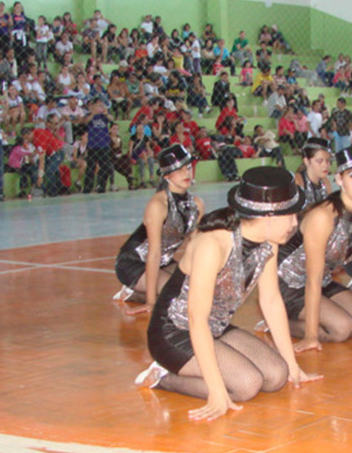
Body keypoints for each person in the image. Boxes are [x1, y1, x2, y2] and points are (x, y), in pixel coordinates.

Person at [136, 167, 320, 422]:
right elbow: (196, 319)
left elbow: (271, 300)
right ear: (267, 216)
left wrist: (293, 366)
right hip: (174, 332)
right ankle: (163, 376)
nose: (295, 224)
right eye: (290, 216)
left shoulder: (269, 240)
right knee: (245, 385)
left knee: (278, 375)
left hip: (216, 327)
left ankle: (214, 373)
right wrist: (215, 389)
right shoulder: (213, 245)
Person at [276, 143, 352, 350]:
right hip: (290, 283)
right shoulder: (323, 216)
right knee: (342, 328)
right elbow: (311, 279)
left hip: (321, 280)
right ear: (339, 179)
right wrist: (311, 336)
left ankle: (320, 318)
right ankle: (278, 323)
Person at [114, 144, 204, 311]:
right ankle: (133, 293)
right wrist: (150, 302)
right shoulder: (158, 204)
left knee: (202, 290)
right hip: (134, 263)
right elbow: (154, 253)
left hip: (164, 262)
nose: (187, 173)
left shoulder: (196, 204)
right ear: (167, 175)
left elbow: (194, 246)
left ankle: (154, 290)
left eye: (188, 168)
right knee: (181, 298)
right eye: (179, 170)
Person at [292, 137, 332, 207]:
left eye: (328, 160)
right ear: (306, 161)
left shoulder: (326, 183)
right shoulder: (298, 181)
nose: (325, 165)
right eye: (320, 161)